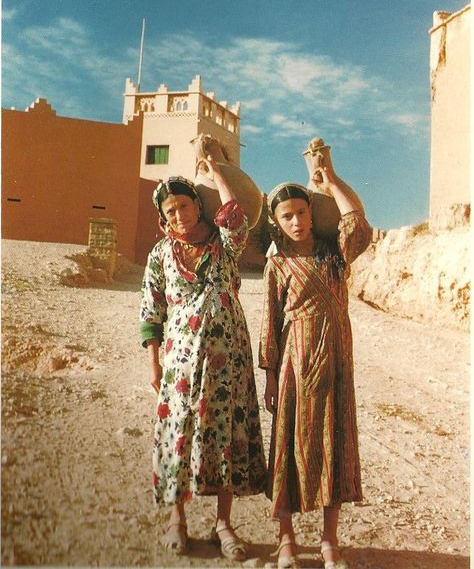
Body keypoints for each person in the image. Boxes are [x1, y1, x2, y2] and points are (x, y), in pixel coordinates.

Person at [140, 160, 267, 561]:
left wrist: (217, 174)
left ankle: (223, 523)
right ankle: (177, 519)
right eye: (170, 210)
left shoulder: (224, 243)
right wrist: (154, 364)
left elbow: (235, 216)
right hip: (179, 362)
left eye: (184, 204)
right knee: (179, 433)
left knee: (224, 433)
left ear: (198, 204)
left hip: (228, 358)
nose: (179, 214)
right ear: (163, 218)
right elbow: (151, 311)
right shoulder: (160, 254)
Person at [259, 150, 371, 569]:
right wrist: (270, 378)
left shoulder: (334, 253)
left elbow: (356, 224)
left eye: (302, 212)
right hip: (295, 363)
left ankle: (329, 542)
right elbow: (271, 324)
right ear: (278, 222)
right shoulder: (278, 265)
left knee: (334, 444)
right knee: (289, 444)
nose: (297, 222)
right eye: (287, 216)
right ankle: (286, 539)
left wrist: (332, 179)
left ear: (311, 212)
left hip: (338, 362)